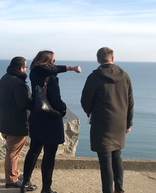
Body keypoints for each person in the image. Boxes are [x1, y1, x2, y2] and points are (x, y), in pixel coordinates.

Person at [21, 50, 81, 193]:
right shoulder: (51, 78)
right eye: (53, 60)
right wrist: (64, 109)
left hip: (36, 116)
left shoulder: (33, 73)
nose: (54, 63)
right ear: (50, 62)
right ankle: (46, 188)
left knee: (34, 150)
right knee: (49, 155)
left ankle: (25, 183)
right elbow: (56, 100)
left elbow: (53, 69)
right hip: (50, 120)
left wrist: (70, 68)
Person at [80, 47, 134, 193]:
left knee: (105, 162)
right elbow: (130, 102)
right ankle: (119, 189)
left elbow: (85, 101)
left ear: (98, 60)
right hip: (119, 123)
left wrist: (92, 113)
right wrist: (128, 123)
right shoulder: (125, 76)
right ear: (112, 58)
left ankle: (108, 191)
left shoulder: (94, 77)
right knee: (116, 157)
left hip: (101, 124)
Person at [0, 57, 37, 191]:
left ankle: (13, 173)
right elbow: (23, 103)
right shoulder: (18, 83)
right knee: (13, 153)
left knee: (11, 151)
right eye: (25, 67)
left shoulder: (4, 78)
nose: (25, 69)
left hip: (5, 121)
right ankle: (11, 180)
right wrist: (36, 99)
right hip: (17, 124)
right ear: (21, 68)